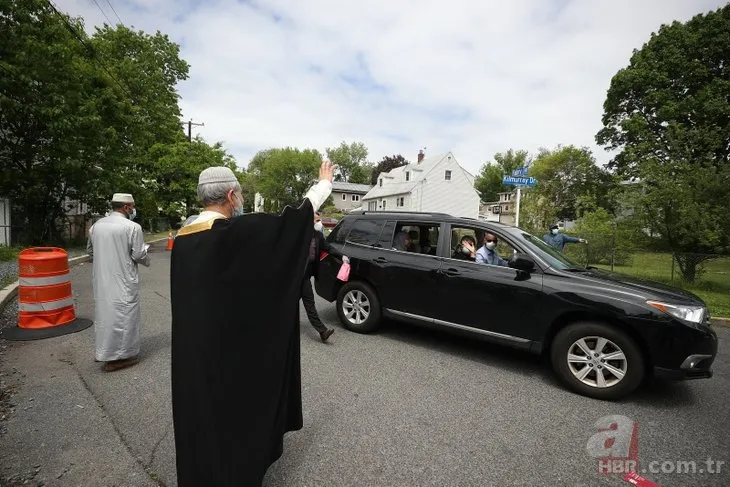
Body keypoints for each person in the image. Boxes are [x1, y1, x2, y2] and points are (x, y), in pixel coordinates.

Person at [170, 161, 335, 486]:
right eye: (240, 194)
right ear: (231, 195)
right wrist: (323, 186)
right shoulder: (232, 235)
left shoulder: (184, 241)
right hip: (226, 360)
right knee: (229, 426)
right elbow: (289, 224)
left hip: (192, 357)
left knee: (200, 423)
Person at [87, 193, 150, 372]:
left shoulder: (96, 226)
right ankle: (119, 357)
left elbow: (90, 252)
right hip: (123, 279)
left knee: (105, 316)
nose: (134, 210)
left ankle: (104, 352)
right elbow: (138, 254)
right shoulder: (132, 227)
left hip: (101, 279)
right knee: (125, 316)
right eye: (133, 206)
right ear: (126, 207)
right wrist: (147, 258)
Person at [302, 211, 335, 342]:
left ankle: (322, 331)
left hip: (305, 275)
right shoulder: (299, 235)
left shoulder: (318, 236)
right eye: (315, 221)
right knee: (287, 302)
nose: (318, 223)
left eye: (318, 221)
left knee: (309, 302)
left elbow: (329, 248)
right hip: (294, 275)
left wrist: (342, 256)